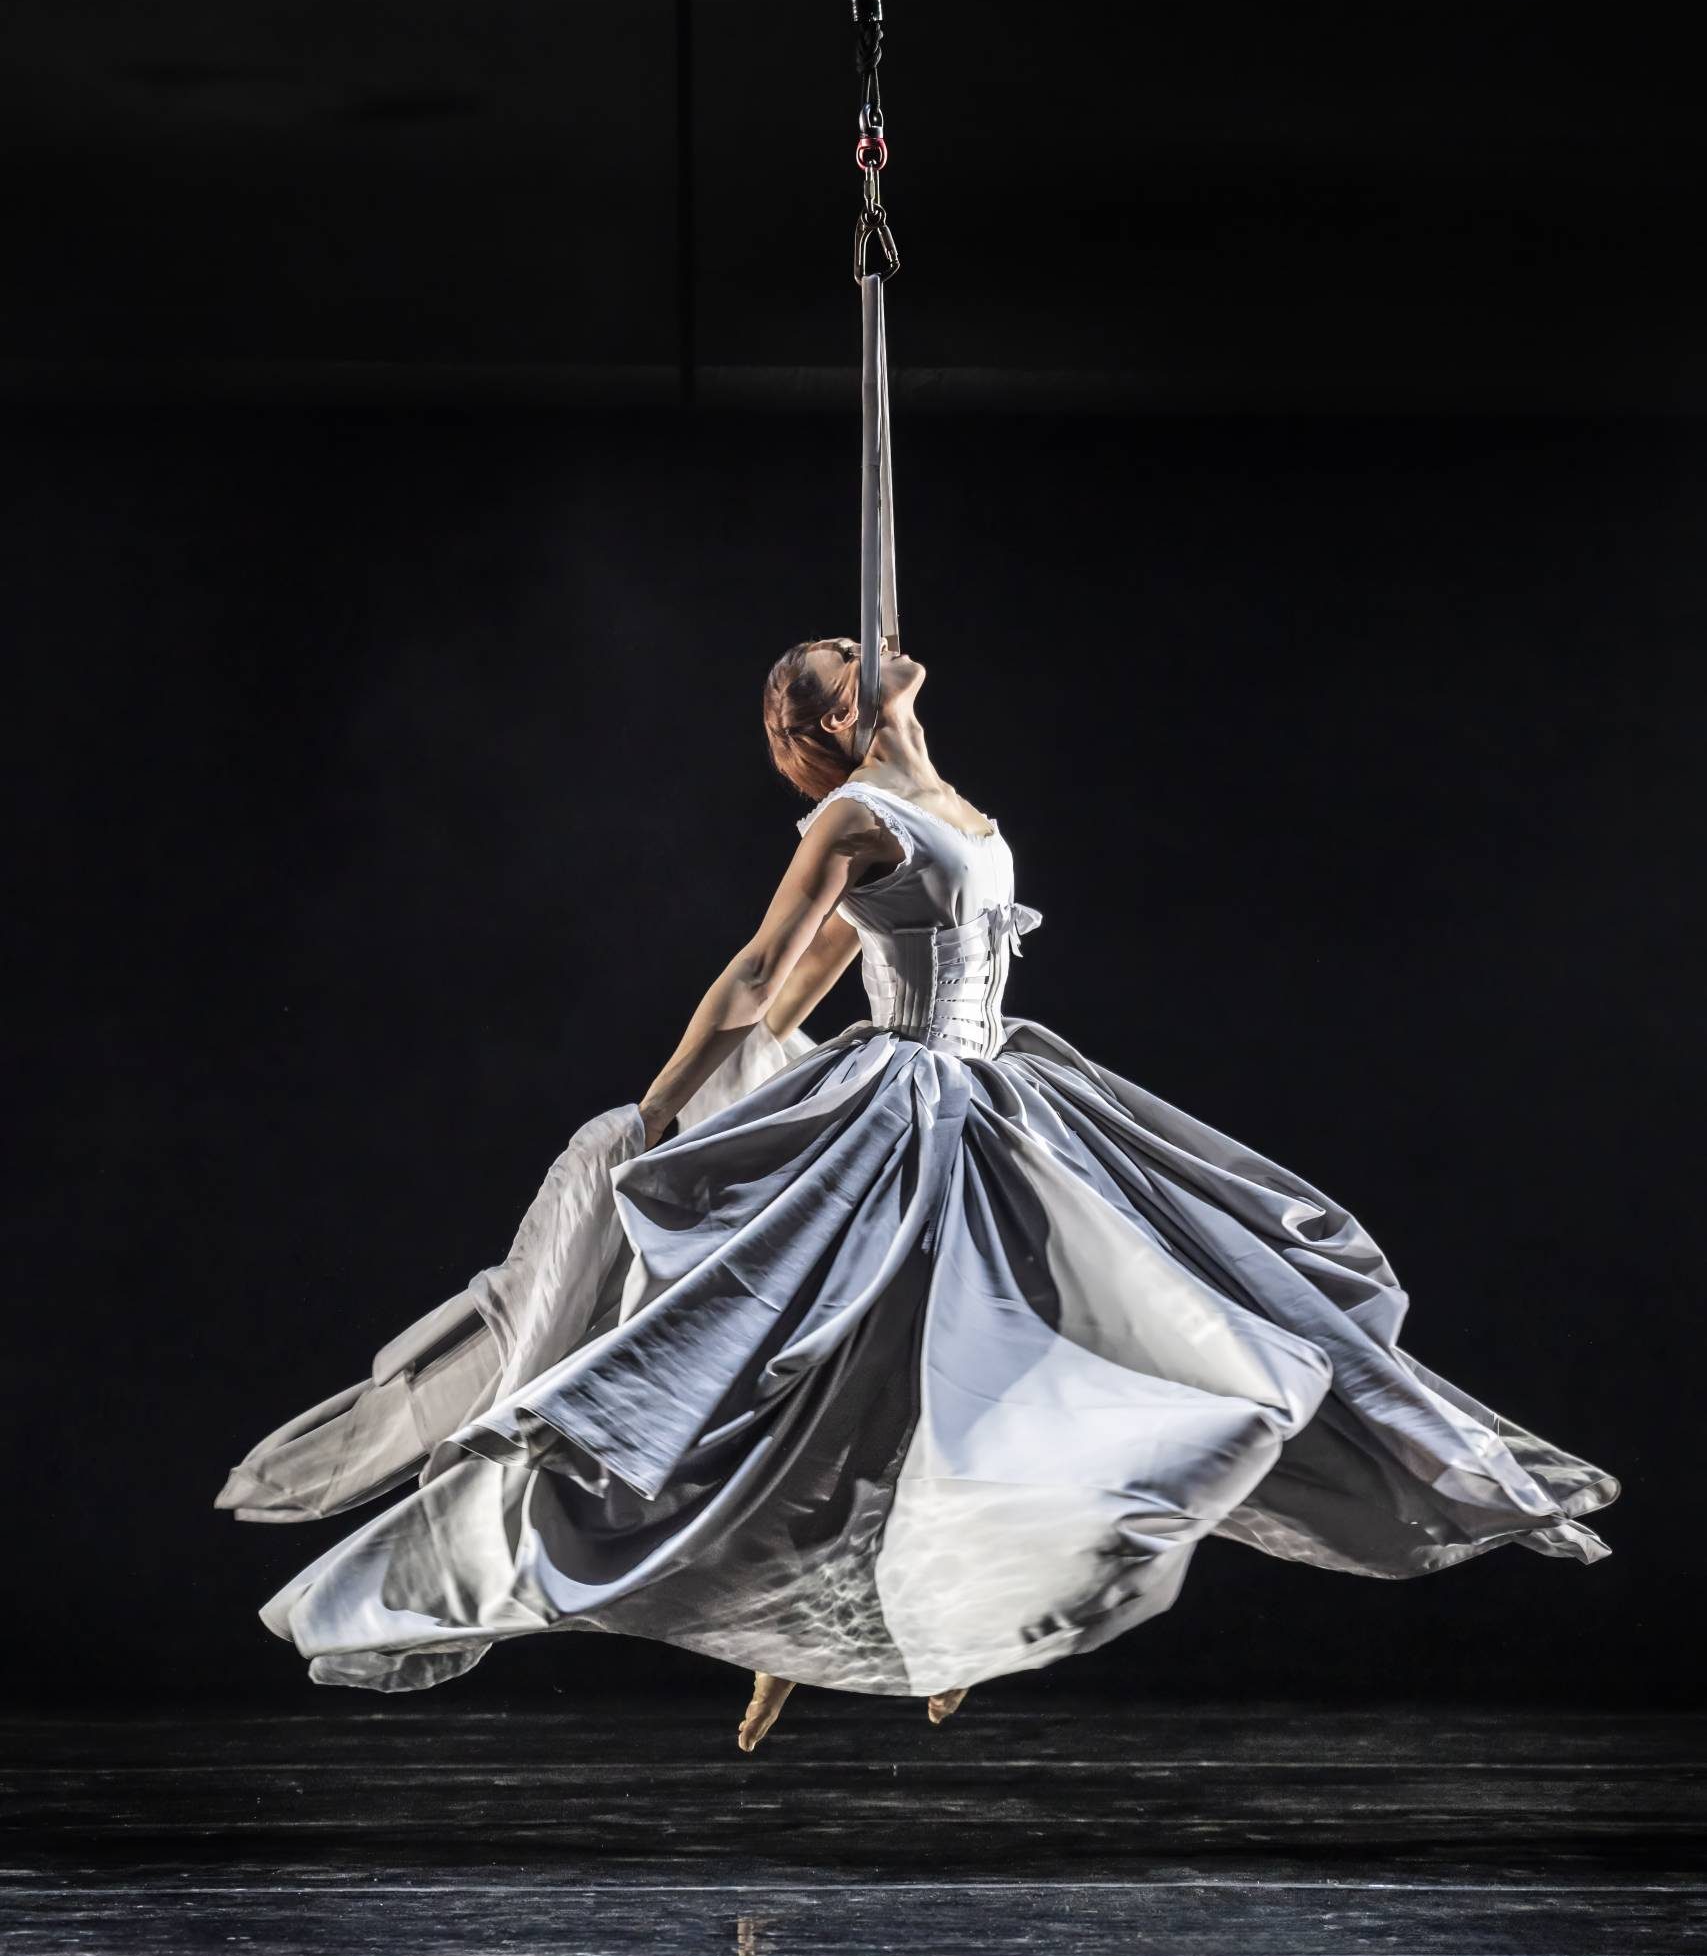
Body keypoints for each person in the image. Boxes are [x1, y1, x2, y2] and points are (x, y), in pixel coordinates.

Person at [219, 635, 1619, 1752]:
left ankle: (897, 1623)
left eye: (781, 724)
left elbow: (764, 974)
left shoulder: (857, 811)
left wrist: (654, 1108)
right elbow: (828, 971)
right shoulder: (964, 816)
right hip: (985, 1088)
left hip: (926, 1103)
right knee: (896, 1379)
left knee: (834, 1372)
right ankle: (850, 1634)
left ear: (805, 730)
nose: (777, 749)